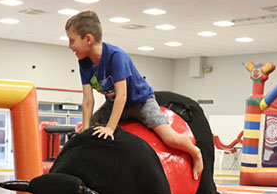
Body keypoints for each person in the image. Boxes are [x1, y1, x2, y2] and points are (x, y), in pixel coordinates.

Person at [65, 10, 204, 180]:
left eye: (72, 41)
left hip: (141, 102)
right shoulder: (84, 63)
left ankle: (195, 152)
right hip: (113, 103)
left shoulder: (116, 56)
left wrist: (110, 128)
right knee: (86, 133)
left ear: (88, 39)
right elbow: (88, 100)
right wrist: (86, 127)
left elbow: (122, 95)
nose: (70, 47)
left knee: (169, 138)